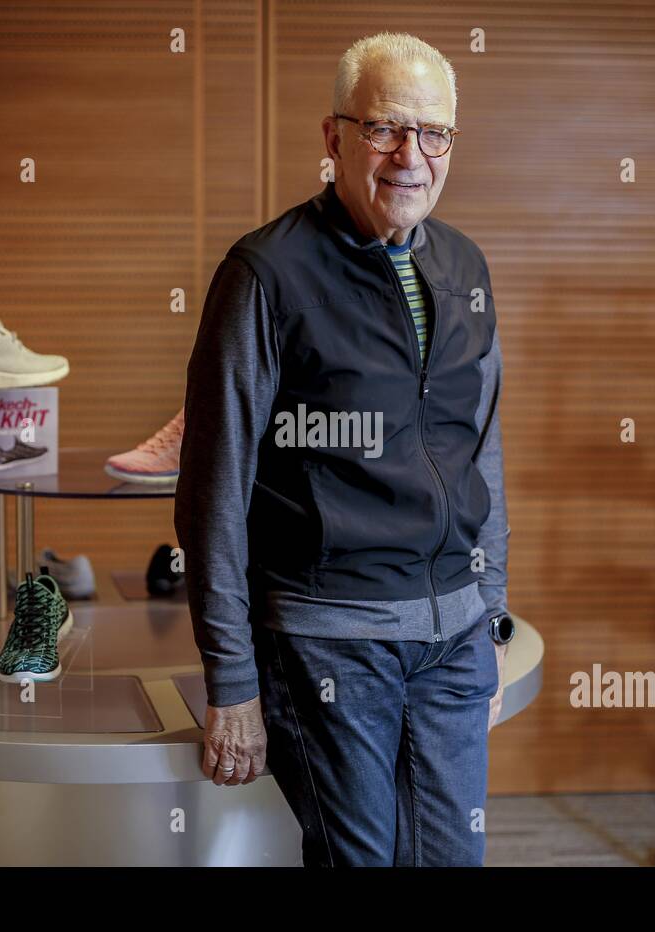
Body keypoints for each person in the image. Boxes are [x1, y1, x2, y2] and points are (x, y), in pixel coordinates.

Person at [174, 31, 511, 866]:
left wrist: (490, 608)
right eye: (385, 128)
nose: (412, 156)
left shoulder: (466, 264)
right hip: (330, 639)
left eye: (435, 133)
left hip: (454, 641)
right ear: (334, 138)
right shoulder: (266, 274)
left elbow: (482, 447)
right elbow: (213, 488)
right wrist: (233, 681)